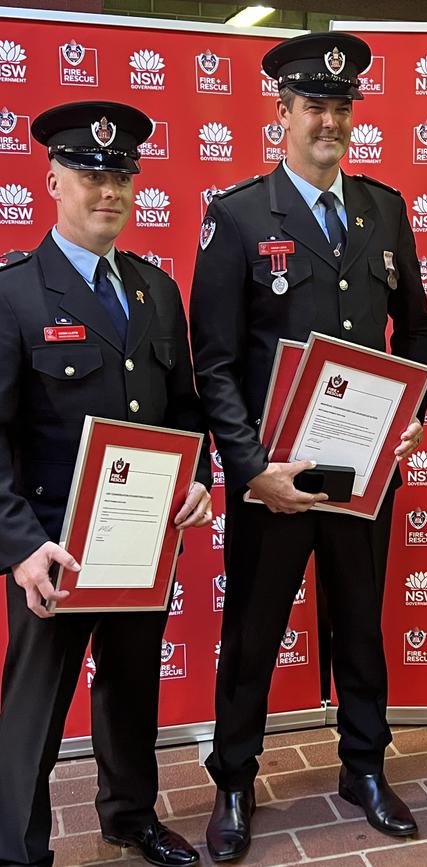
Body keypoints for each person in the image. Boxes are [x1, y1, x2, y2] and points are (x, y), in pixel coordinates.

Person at [190, 31, 427, 863]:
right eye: (314, 107)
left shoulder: (385, 209)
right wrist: (253, 470)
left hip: (365, 469)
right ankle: (233, 777)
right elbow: (214, 363)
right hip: (278, 477)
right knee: (253, 633)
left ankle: (363, 767)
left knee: (360, 625)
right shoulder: (238, 216)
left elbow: (420, 331)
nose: (328, 121)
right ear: (283, 112)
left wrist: (414, 411)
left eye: (341, 108)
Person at [0, 100, 213, 867]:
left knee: (131, 688)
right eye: (90, 174)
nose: (107, 190)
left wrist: (197, 476)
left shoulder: (156, 290)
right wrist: (22, 546)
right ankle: (16, 848)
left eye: (120, 174)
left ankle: (130, 815)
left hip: (140, 538)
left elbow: (184, 406)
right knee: (35, 710)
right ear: (53, 179)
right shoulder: (16, 292)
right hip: (53, 548)